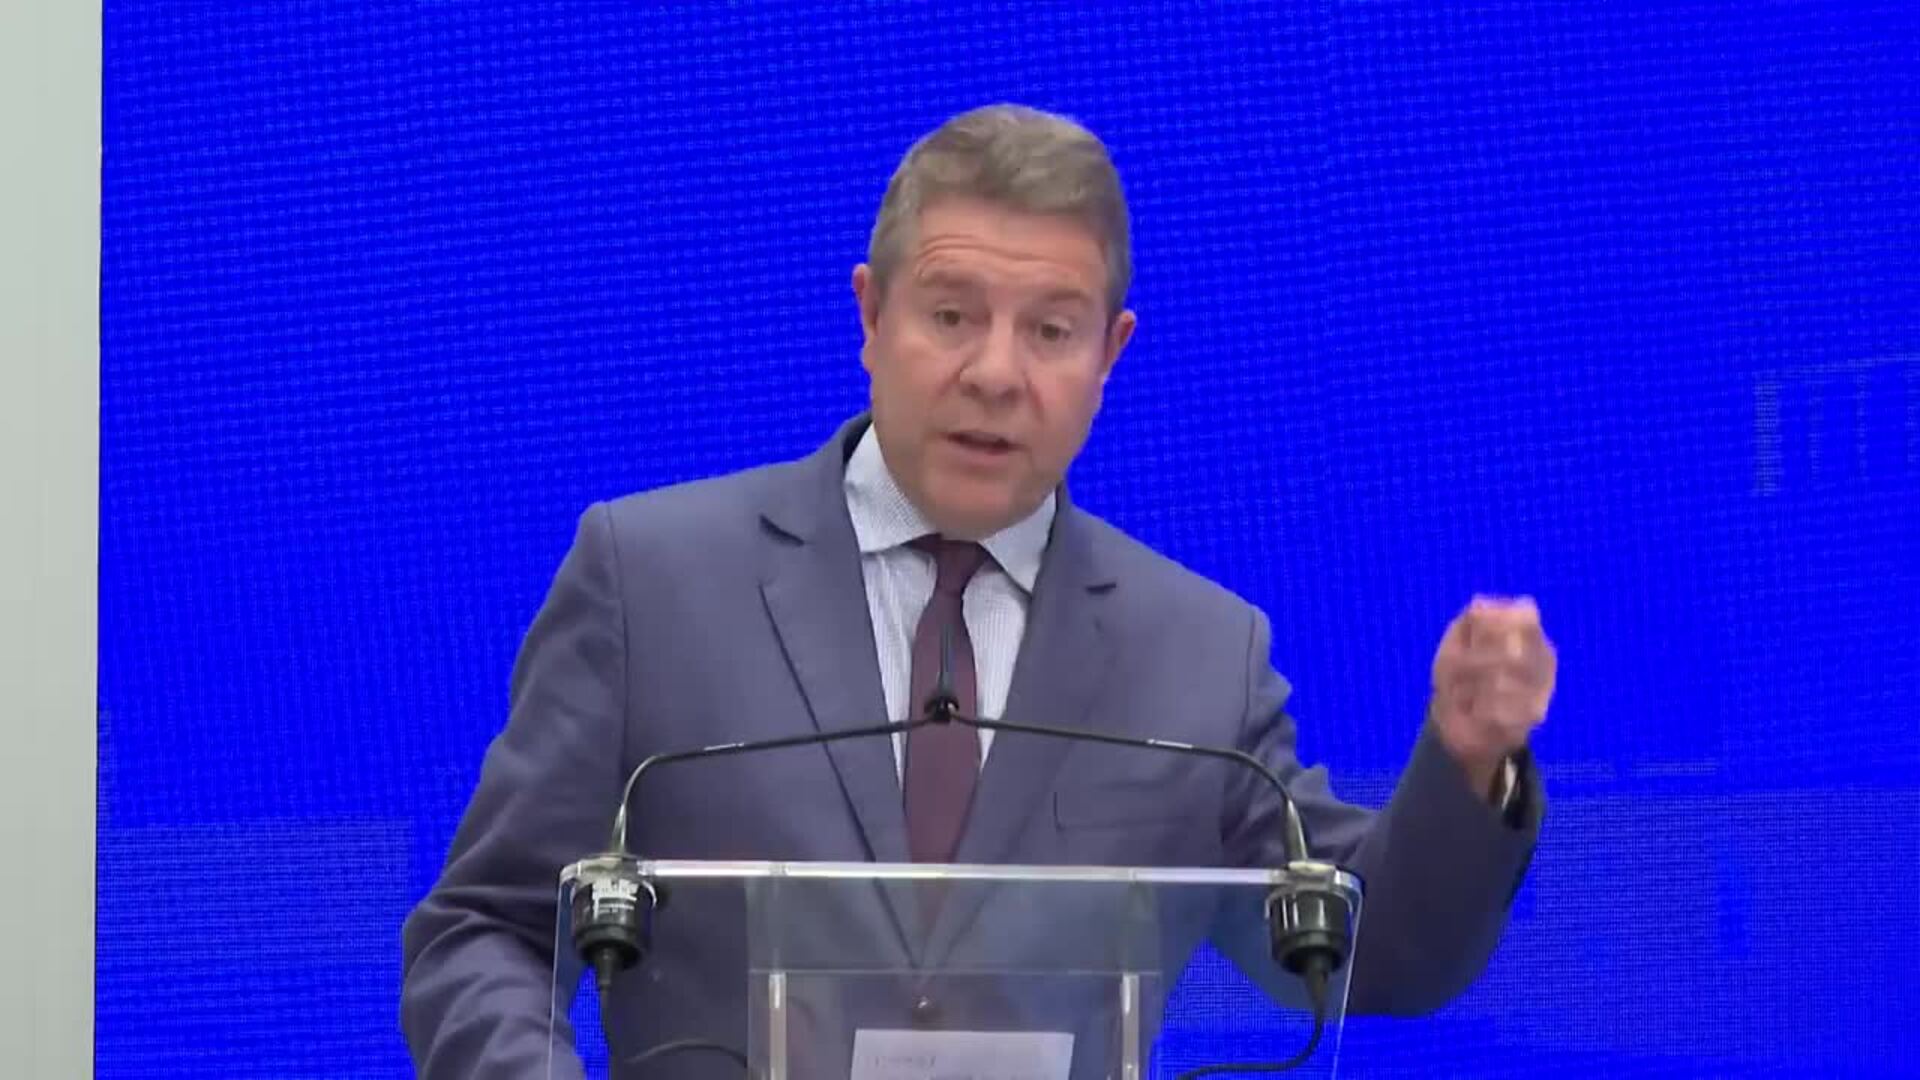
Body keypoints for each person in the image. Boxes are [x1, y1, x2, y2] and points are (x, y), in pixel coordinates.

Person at [400, 103, 1554, 1078]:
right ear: (870, 315)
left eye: (1051, 330)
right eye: (951, 315)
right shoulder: (653, 580)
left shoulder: (1200, 653)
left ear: (1110, 355)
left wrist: (1469, 766)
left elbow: (1372, 957)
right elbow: (485, 930)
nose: (995, 373)